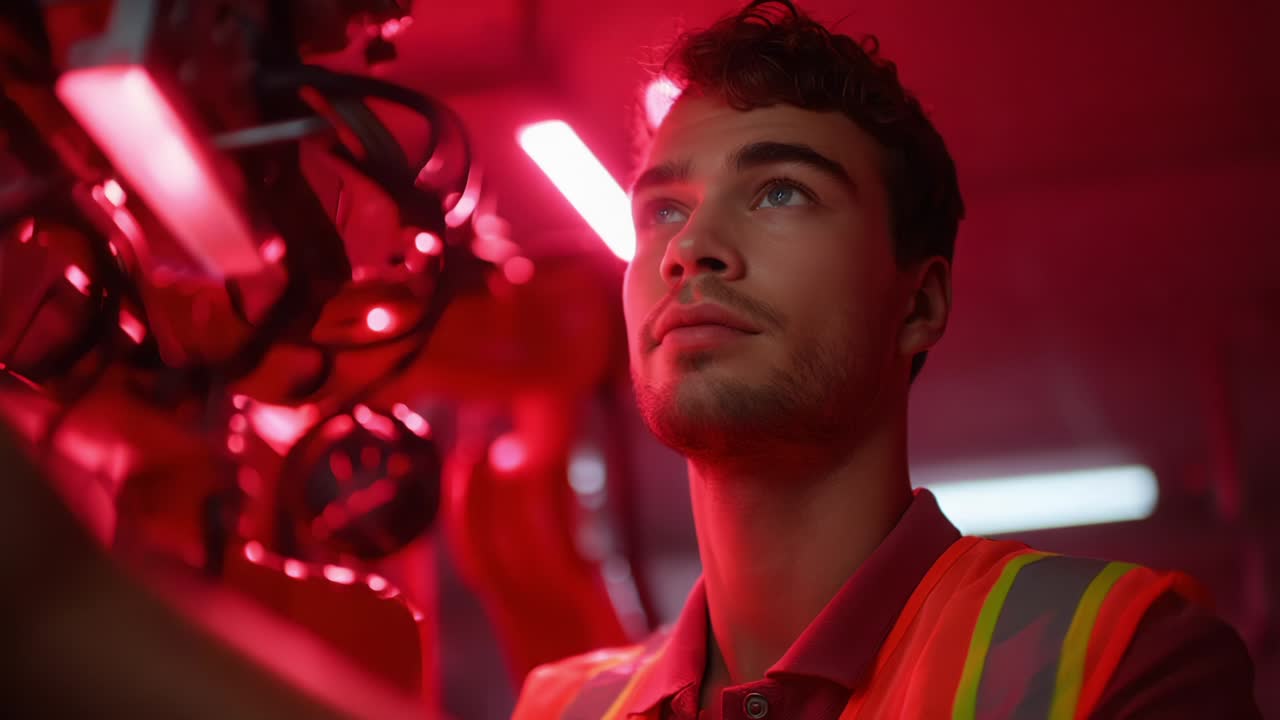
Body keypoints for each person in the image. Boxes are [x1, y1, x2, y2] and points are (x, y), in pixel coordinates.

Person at [511, 1, 1261, 718]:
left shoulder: (1120, 658)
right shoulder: (556, 708)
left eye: (781, 193)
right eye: (663, 210)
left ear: (918, 304)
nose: (688, 247)